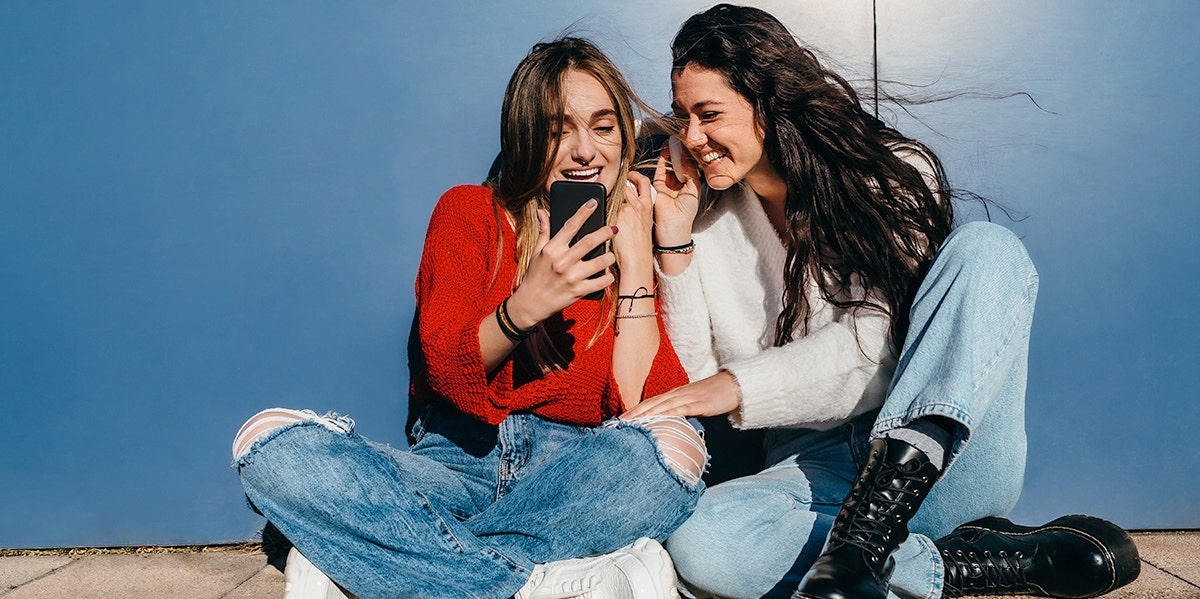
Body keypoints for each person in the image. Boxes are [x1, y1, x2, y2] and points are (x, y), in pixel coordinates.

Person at [623, 5, 1140, 599]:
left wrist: (736, 386)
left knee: (988, 250)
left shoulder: (883, 175)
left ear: (767, 102)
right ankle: (973, 563)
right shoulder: (705, 221)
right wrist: (675, 238)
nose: (690, 137)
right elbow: (691, 375)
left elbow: (874, 349)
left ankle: (863, 546)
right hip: (815, 471)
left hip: (943, 457)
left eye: (709, 114)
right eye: (683, 115)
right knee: (702, 544)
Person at [230, 37, 707, 599]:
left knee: (675, 450)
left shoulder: (632, 240)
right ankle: (534, 581)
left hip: (576, 476)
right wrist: (523, 307)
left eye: (603, 128)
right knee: (268, 442)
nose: (585, 150)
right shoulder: (470, 212)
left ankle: (385, 566)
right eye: (559, 130)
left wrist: (636, 266)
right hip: (457, 464)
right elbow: (445, 367)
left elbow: (647, 409)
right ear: (527, 137)